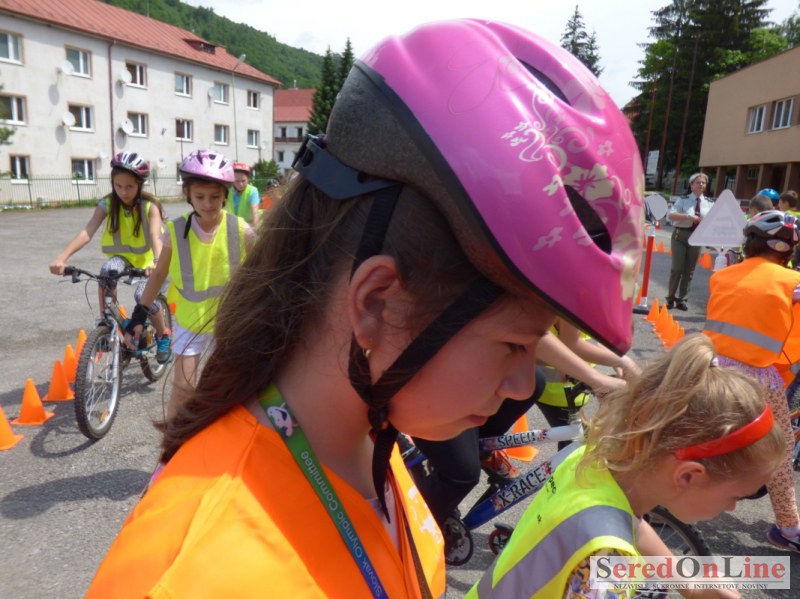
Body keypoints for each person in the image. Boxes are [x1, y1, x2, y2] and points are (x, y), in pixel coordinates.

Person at [85, 19, 643, 598]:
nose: (525, 384)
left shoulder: (369, 439)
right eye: (513, 344)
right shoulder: (202, 575)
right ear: (377, 304)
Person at [469, 333, 785, 599]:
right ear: (689, 475)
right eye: (735, 496)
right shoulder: (609, 561)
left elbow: (631, 522)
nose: (731, 508)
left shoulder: (595, 463)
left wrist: (689, 584)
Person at [125, 149, 255, 418]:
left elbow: (265, 270)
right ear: (188, 194)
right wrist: (140, 313)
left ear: (225, 195)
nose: (208, 204)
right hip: (190, 320)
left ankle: (219, 437)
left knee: (227, 389)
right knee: (183, 388)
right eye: (200, 196)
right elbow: (159, 274)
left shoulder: (240, 229)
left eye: (215, 197)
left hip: (228, 321)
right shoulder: (175, 231)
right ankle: (173, 440)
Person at [703, 209, 800, 552]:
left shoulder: (723, 275)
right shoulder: (793, 283)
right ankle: (788, 528)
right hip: (760, 377)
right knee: (779, 450)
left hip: (710, 366)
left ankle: (656, 496)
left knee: (700, 434)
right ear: (789, 250)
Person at [49, 151, 171, 362]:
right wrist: (62, 257)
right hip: (124, 258)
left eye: (129, 186)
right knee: (107, 271)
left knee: (142, 296)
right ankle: (107, 322)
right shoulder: (107, 204)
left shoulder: (150, 207)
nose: (123, 192)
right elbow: (87, 232)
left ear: (140, 185)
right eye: (118, 186)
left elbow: (155, 236)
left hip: (150, 260)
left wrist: (157, 261)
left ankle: (163, 335)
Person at [536, 318, 640, 449]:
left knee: (573, 441)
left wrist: (617, 362)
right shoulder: (576, 307)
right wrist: (621, 363)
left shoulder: (591, 311)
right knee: (576, 444)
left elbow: (594, 343)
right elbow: (572, 343)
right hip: (557, 391)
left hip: (570, 387)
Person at [666, 172, 712, 311]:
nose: (701, 185)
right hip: (680, 235)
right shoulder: (683, 200)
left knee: (689, 270)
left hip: (697, 237)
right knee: (677, 268)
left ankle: (682, 300)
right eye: (698, 182)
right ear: (691, 185)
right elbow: (671, 215)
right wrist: (688, 217)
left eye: (703, 183)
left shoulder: (709, 203)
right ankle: (670, 298)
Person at [227, 161, 260, 227]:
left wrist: (255, 227)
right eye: (237, 181)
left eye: (243, 181)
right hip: (231, 226)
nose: (240, 184)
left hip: (248, 226)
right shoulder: (227, 191)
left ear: (248, 179)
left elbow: (255, 212)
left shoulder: (252, 191)